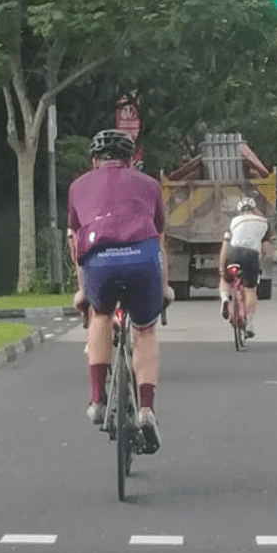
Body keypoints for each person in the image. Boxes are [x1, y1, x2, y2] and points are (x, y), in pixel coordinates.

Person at [67, 129, 175, 454]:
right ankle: (145, 409)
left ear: (93, 160)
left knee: (99, 314)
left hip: (99, 261)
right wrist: (166, 286)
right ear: (132, 160)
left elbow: (75, 241)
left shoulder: (77, 186)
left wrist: (82, 289)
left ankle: (98, 400)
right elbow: (158, 237)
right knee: (145, 329)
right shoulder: (149, 185)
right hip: (143, 258)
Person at [218, 197, 271, 339]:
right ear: (254, 210)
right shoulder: (264, 223)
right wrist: (258, 263)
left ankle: (224, 299)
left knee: (225, 279)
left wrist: (221, 267)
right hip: (251, 255)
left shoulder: (234, 222)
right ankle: (249, 325)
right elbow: (266, 250)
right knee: (250, 290)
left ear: (239, 211)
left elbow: (225, 245)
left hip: (233, 252)